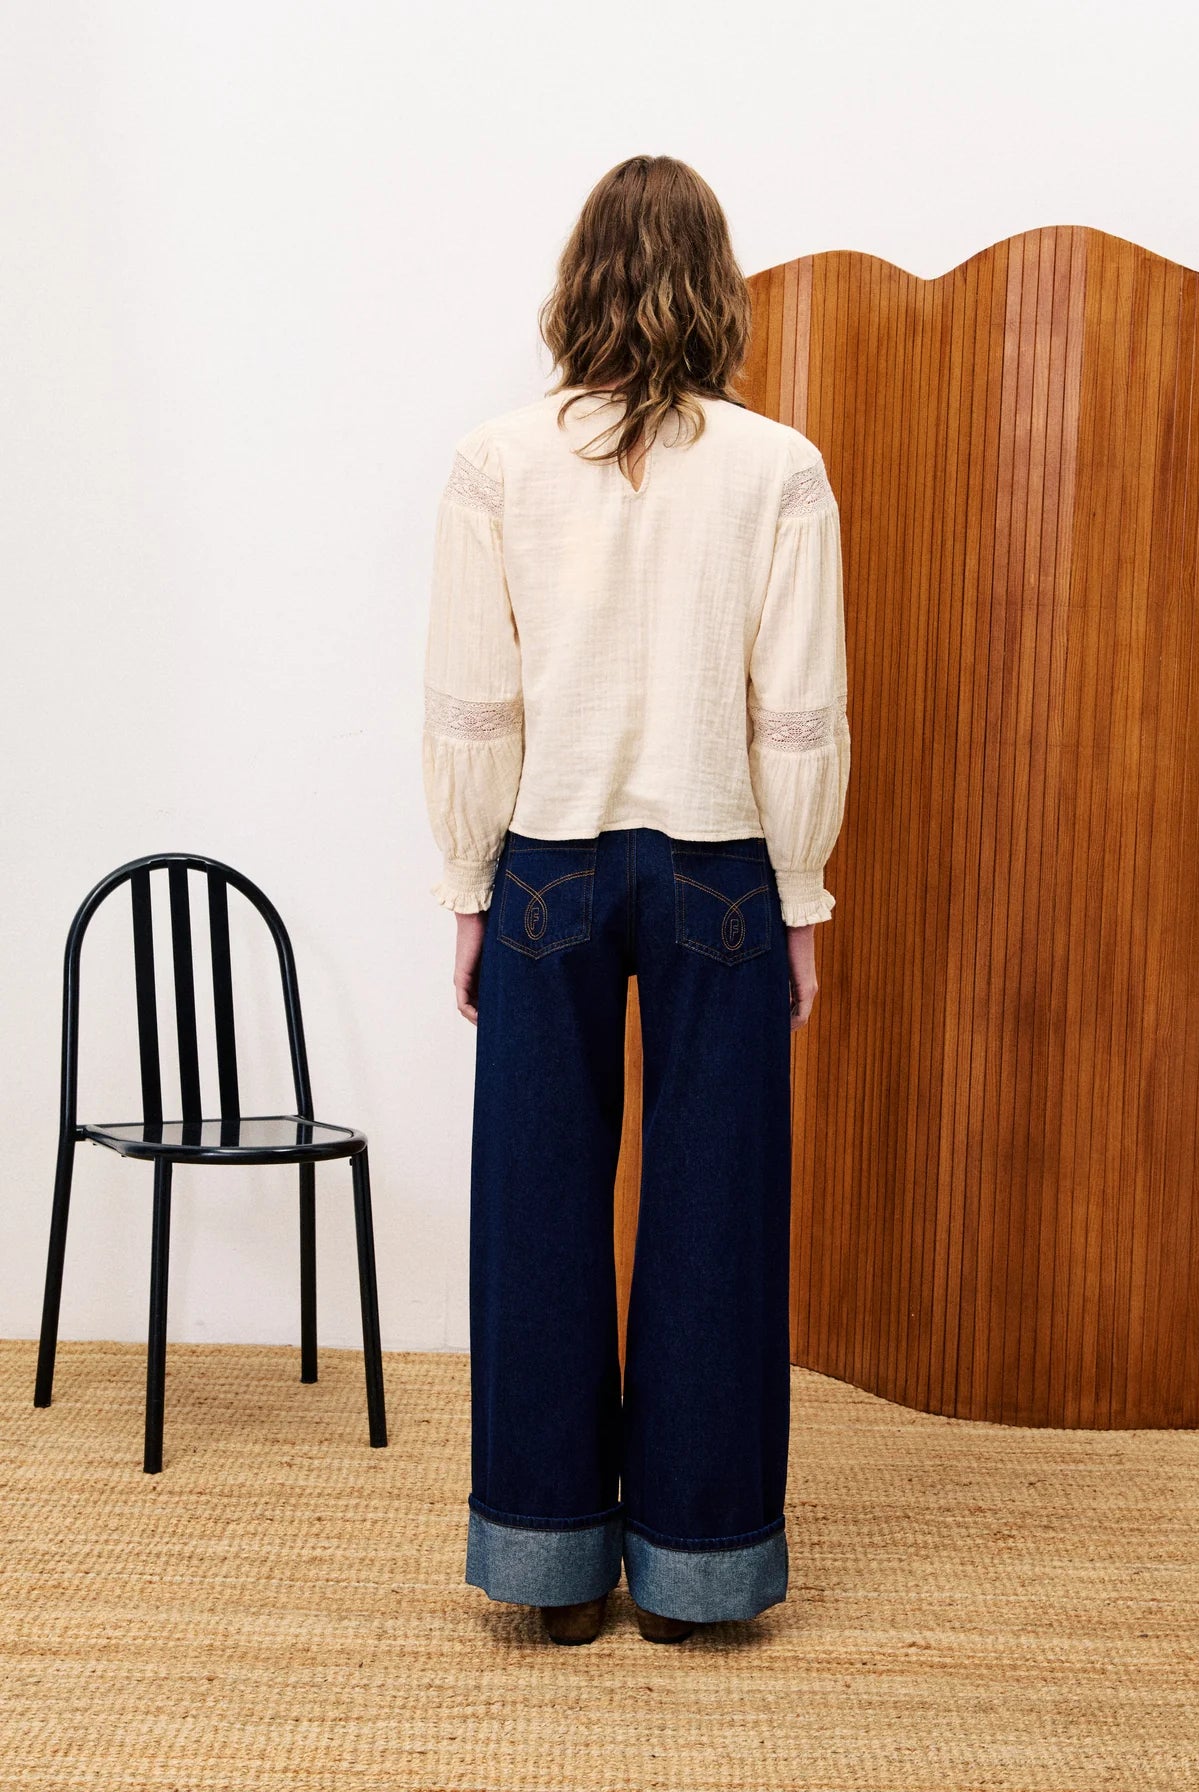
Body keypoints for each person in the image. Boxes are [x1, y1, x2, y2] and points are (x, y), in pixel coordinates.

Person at [421, 154, 850, 1646]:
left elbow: (474, 705)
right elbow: (796, 713)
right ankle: (697, 1572)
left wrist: (470, 884)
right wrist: (800, 895)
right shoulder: (779, 466)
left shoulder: (495, 460)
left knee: (537, 1210)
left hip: (547, 859)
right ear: (717, 285)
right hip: (719, 864)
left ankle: (549, 1568)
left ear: (579, 277)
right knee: (714, 1211)